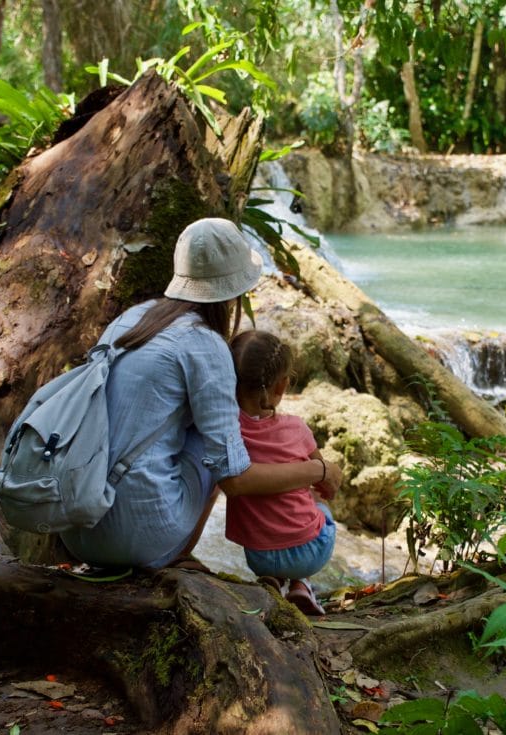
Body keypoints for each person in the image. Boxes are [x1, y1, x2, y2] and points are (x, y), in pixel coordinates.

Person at [59, 218, 342, 571]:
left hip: (73, 524)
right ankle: (177, 555)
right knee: (221, 446)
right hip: (134, 539)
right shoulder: (205, 346)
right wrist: (318, 471)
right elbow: (235, 480)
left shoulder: (132, 318)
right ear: (234, 290)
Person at [225, 330, 337, 616]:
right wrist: (321, 495)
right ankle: (301, 584)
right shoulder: (297, 429)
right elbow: (326, 485)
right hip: (309, 553)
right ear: (282, 386)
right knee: (321, 507)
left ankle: (272, 581)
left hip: (258, 555)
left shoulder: (227, 431)